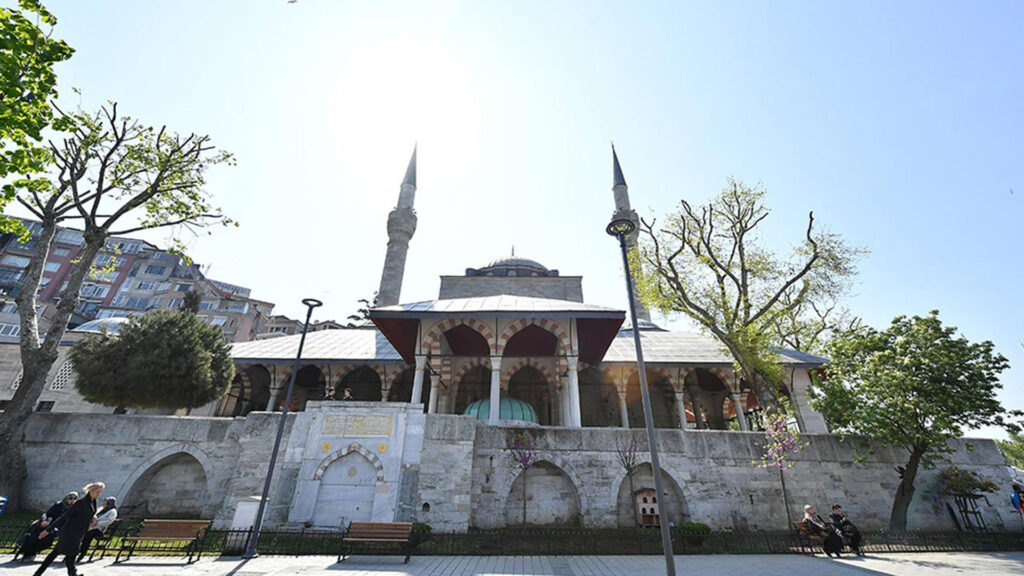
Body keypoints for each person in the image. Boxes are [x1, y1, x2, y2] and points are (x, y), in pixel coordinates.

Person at [34, 482, 103, 576]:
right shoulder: (80, 503)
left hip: (79, 532)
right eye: (97, 492)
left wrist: (93, 518)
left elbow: (91, 512)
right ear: (91, 491)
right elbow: (64, 517)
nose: (99, 494)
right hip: (69, 532)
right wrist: (47, 530)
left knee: (64, 553)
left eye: (100, 492)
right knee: (68, 553)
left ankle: (40, 573)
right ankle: (71, 574)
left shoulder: (93, 502)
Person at [19, 492, 77, 561]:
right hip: (48, 524)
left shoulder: (74, 508)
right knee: (34, 535)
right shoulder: (58, 505)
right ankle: (28, 553)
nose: (72, 500)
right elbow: (47, 514)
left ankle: (31, 553)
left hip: (59, 528)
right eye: (71, 498)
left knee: (46, 537)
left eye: (75, 498)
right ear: (67, 498)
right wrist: (44, 521)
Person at [76, 497, 117, 563]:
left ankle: (82, 553)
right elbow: (93, 513)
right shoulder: (101, 509)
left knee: (88, 535)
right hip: (90, 526)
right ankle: (74, 551)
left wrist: (97, 523)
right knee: (78, 532)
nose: (104, 503)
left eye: (105, 502)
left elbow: (109, 521)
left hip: (99, 529)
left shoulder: (112, 511)